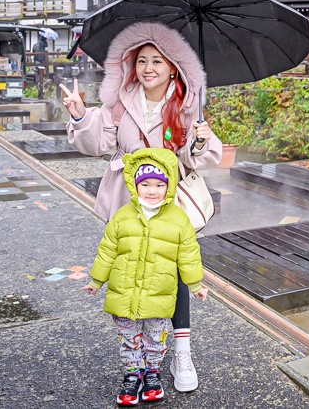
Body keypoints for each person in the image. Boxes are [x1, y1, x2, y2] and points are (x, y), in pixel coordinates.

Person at [60, 22, 221, 392]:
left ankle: (181, 352)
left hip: (171, 203)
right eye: (142, 61)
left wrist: (198, 143)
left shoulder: (186, 105)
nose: (148, 69)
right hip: (127, 202)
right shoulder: (120, 100)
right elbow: (97, 142)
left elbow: (196, 158)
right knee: (133, 272)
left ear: (173, 67)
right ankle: (139, 357)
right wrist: (81, 114)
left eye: (158, 62)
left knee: (176, 275)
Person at [81, 147, 208, 405]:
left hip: (158, 296)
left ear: (169, 186)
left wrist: (195, 284)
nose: (152, 191)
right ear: (134, 185)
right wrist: (96, 280)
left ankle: (152, 372)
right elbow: (107, 251)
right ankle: (132, 373)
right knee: (128, 339)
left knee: (156, 338)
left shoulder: (178, 220)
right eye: (145, 184)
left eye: (159, 184)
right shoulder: (122, 217)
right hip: (124, 293)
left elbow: (188, 255)